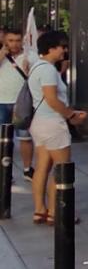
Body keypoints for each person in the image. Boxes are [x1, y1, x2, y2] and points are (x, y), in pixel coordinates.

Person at [28, 31, 86, 227]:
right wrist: (71, 115)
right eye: (62, 46)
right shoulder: (48, 71)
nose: (65, 50)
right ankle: (56, 211)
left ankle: (39, 210)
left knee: (42, 166)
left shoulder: (36, 67)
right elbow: (52, 99)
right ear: (51, 48)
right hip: (53, 123)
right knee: (62, 168)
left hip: (38, 122)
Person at [1, 27, 34, 181]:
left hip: (21, 103)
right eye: (11, 41)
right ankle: (5, 170)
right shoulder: (1, 55)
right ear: (4, 41)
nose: (14, 44)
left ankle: (27, 169)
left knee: (25, 138)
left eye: (17, 40)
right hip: (2, 102)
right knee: (3, 140)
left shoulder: (29, 56)